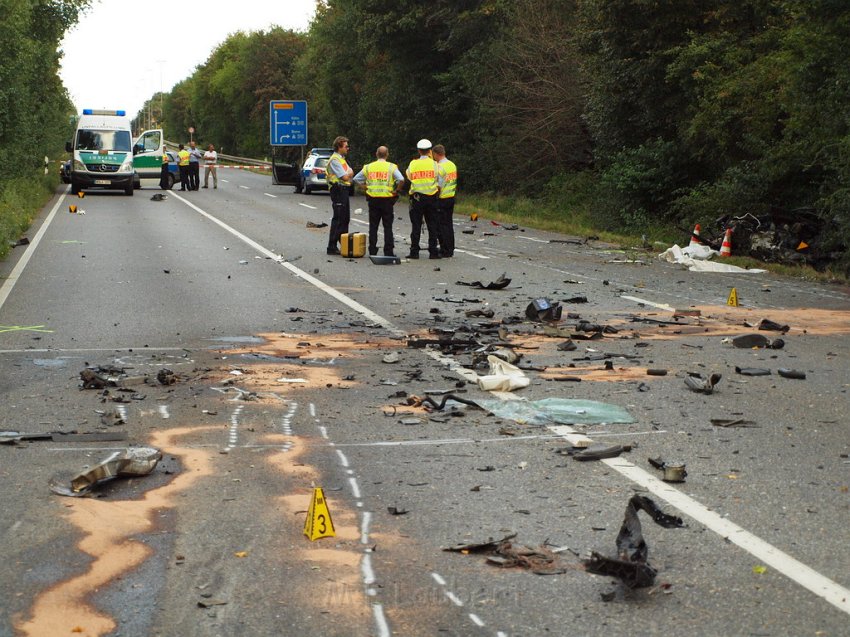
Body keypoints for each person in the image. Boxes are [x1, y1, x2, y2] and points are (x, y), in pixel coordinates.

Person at [353, 145, 405, 257]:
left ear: (376, 154)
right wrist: (397, 190)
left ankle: (372, 250)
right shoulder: (391, 167)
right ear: (387, 154)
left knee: (373, 226)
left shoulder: (368, 167)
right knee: (387, 226)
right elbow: (401, 179)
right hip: (387, 200)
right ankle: (388, 251)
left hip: (373, 199)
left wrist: (364, 187)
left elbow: (356, 178)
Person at [405, 138, 444, 259]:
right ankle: (433, 252)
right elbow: (440, 180)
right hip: (432, 198)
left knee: (416, 225)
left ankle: (414, 251)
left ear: (418, 150)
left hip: (417, 198)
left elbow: (409, 177)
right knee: (432, 225)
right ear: (429, 151)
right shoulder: (435, 164)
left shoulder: (413, 164)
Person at [325, 136, 354, 255]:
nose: (348, 148)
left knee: (345, 218)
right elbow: (346, 176)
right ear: (339, 147)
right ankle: (331, 247)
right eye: (346, 146)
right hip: (337, 190)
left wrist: (349, 173)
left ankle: (344, 244)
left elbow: (351, 172)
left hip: (344, 190)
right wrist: (349, 174)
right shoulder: (335, 160)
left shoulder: (342, 158)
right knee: (338, 218)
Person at [432, 144, 457, 257]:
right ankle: (450, 248)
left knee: (441, 225)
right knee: (449, 224)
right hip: (451, 196)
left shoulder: (439, 167)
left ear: (436, 154)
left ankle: (445, 249)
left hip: (442, 199)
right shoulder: (452, 165)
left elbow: (439, 185)